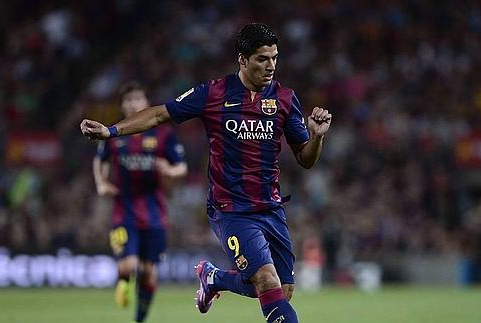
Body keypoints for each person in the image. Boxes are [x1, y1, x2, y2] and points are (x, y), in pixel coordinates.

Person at [82, 23, 332, 323]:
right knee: (267, 281)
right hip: (232, 209)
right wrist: (111, 131)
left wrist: (316, 136)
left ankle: (213, 278)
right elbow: (159, 113)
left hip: (271, 208)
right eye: (262, 59)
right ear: (242, 59)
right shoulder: (214, 93)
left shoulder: (285, 99)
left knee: (283, 290)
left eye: (275, 58)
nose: (271, 66)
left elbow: (306, 159)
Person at [92, 81, 187, 323]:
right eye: (128, 100)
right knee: (128, 266)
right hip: (123, 212)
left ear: (146, 103)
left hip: (155, 213)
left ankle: (139, 319)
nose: (133, 103)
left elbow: (181, 167)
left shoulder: (163, 134)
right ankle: (123, 281)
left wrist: (169, 169)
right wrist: (101, 182)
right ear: (123, 106)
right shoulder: (113, 134)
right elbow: (100, 160)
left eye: (137, 99)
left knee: (149, 274)